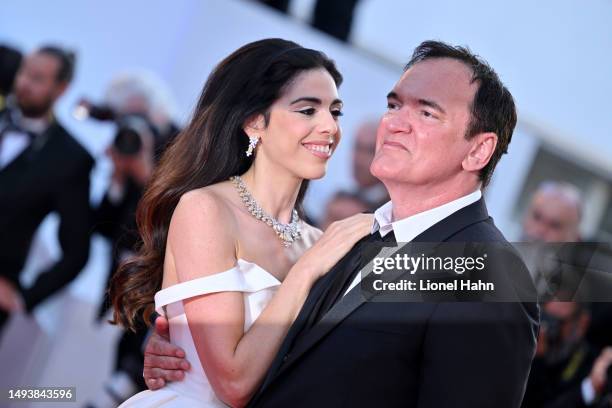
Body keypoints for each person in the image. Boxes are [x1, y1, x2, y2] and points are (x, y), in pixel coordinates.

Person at [143, 40, 540, 407]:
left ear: (478, 150)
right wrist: (187, 355)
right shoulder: (354, 240)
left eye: (426, 112)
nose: (395, 123)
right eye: (394, 105)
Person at [109, 38, 373, 407]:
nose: (330, 127)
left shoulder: (319, 242)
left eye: (335, 111)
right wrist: (305, 272)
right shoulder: (206, 209)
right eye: (308, 110)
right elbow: (232, 384)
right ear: (254, 122)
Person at [0, 45, 93, 333]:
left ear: (61, 89)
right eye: (24, 72)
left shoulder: (69, 158)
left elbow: (77, 251)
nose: (24, 83)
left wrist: (25, 297)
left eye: (38, 78)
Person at [522, 300, 612, 407]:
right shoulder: (530, 347)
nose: (547, 329)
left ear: (582, 323)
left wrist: (589, 388)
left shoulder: (592, 367)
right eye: (546, 318)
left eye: (558, 322)